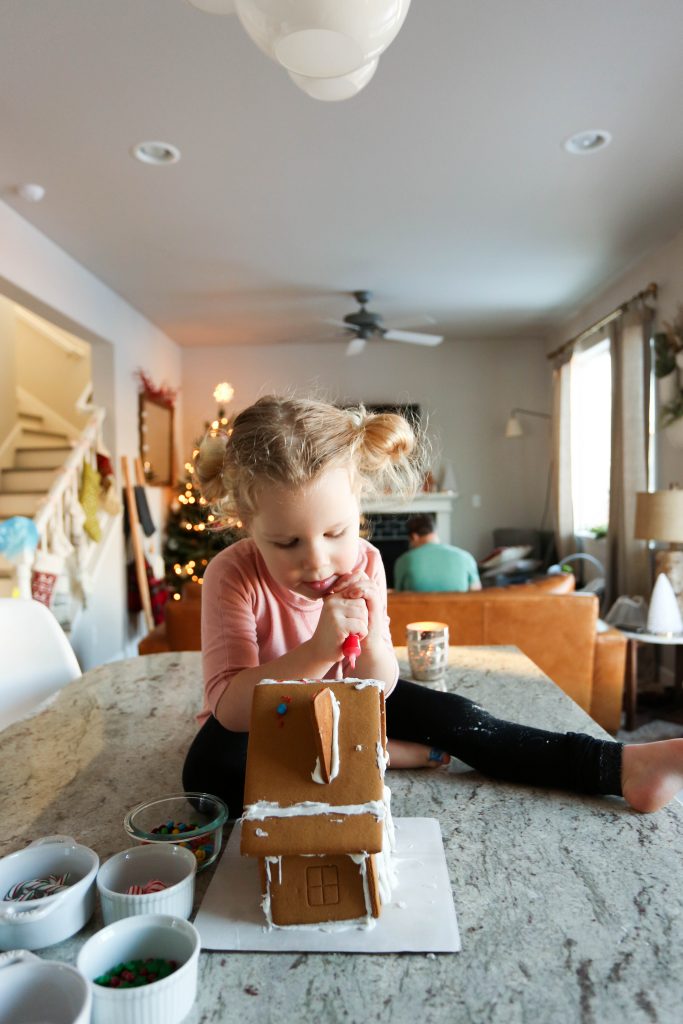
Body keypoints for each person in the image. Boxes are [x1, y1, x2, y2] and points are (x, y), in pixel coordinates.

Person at [182, 394, 683, 819]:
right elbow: (229, 710)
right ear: (247, 524)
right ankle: (381, 755)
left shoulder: (367, 563)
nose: (316, 561)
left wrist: (370, 632)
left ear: (358, 506)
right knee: (209, 776)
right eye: (286, 542)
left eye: (335, 532)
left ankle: (620, 767)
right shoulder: (233, 573)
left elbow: (379, 686)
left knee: (463, 717)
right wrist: (316, 651)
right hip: (264, 720)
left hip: (349, 700)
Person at [393, 512, 481, 592]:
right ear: (434, 531)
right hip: (460, 609)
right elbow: (476, 592)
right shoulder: (466, 557)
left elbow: (398, 595)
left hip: (419, 609)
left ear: (414, 537)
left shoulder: (404, 561)